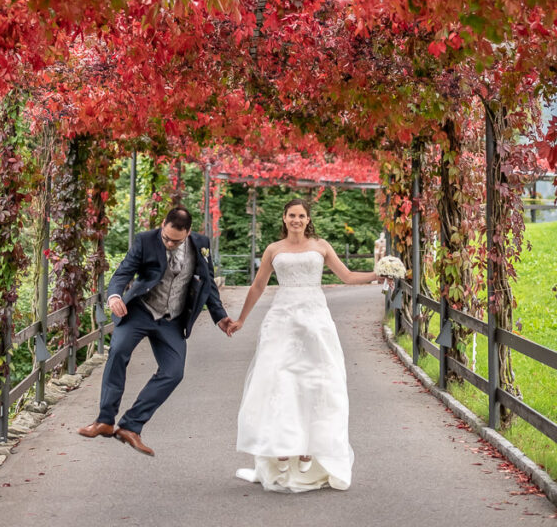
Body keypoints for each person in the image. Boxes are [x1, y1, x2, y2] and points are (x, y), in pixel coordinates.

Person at [228, 198, 385, 492]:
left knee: (317, 381)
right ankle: (282, 445)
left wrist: (378, 275)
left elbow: (348, 276)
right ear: (284, 218)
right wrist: (241, 320)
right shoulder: (274, 250)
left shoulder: (321, 246)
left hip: (315, 320)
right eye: (291, 215)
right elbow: (258, 286)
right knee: (279, 381)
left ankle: (309, 449)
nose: (296, 220)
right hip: (283, 319)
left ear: (308, 219)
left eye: (301, 215)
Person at [78, 206, 233, 455]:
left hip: (172, 319)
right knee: (117, 352)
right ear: (162, 225)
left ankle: (131, 426)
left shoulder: (201, 245)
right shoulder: (145, 240)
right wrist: (115, 296)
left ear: (188, 233)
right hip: (140, 311)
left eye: (176, 240)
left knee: (174, 372)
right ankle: (105, 421)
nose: (169, 243)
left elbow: (208, 285)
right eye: (166, 237)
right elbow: (123, 272)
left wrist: (220, 317)